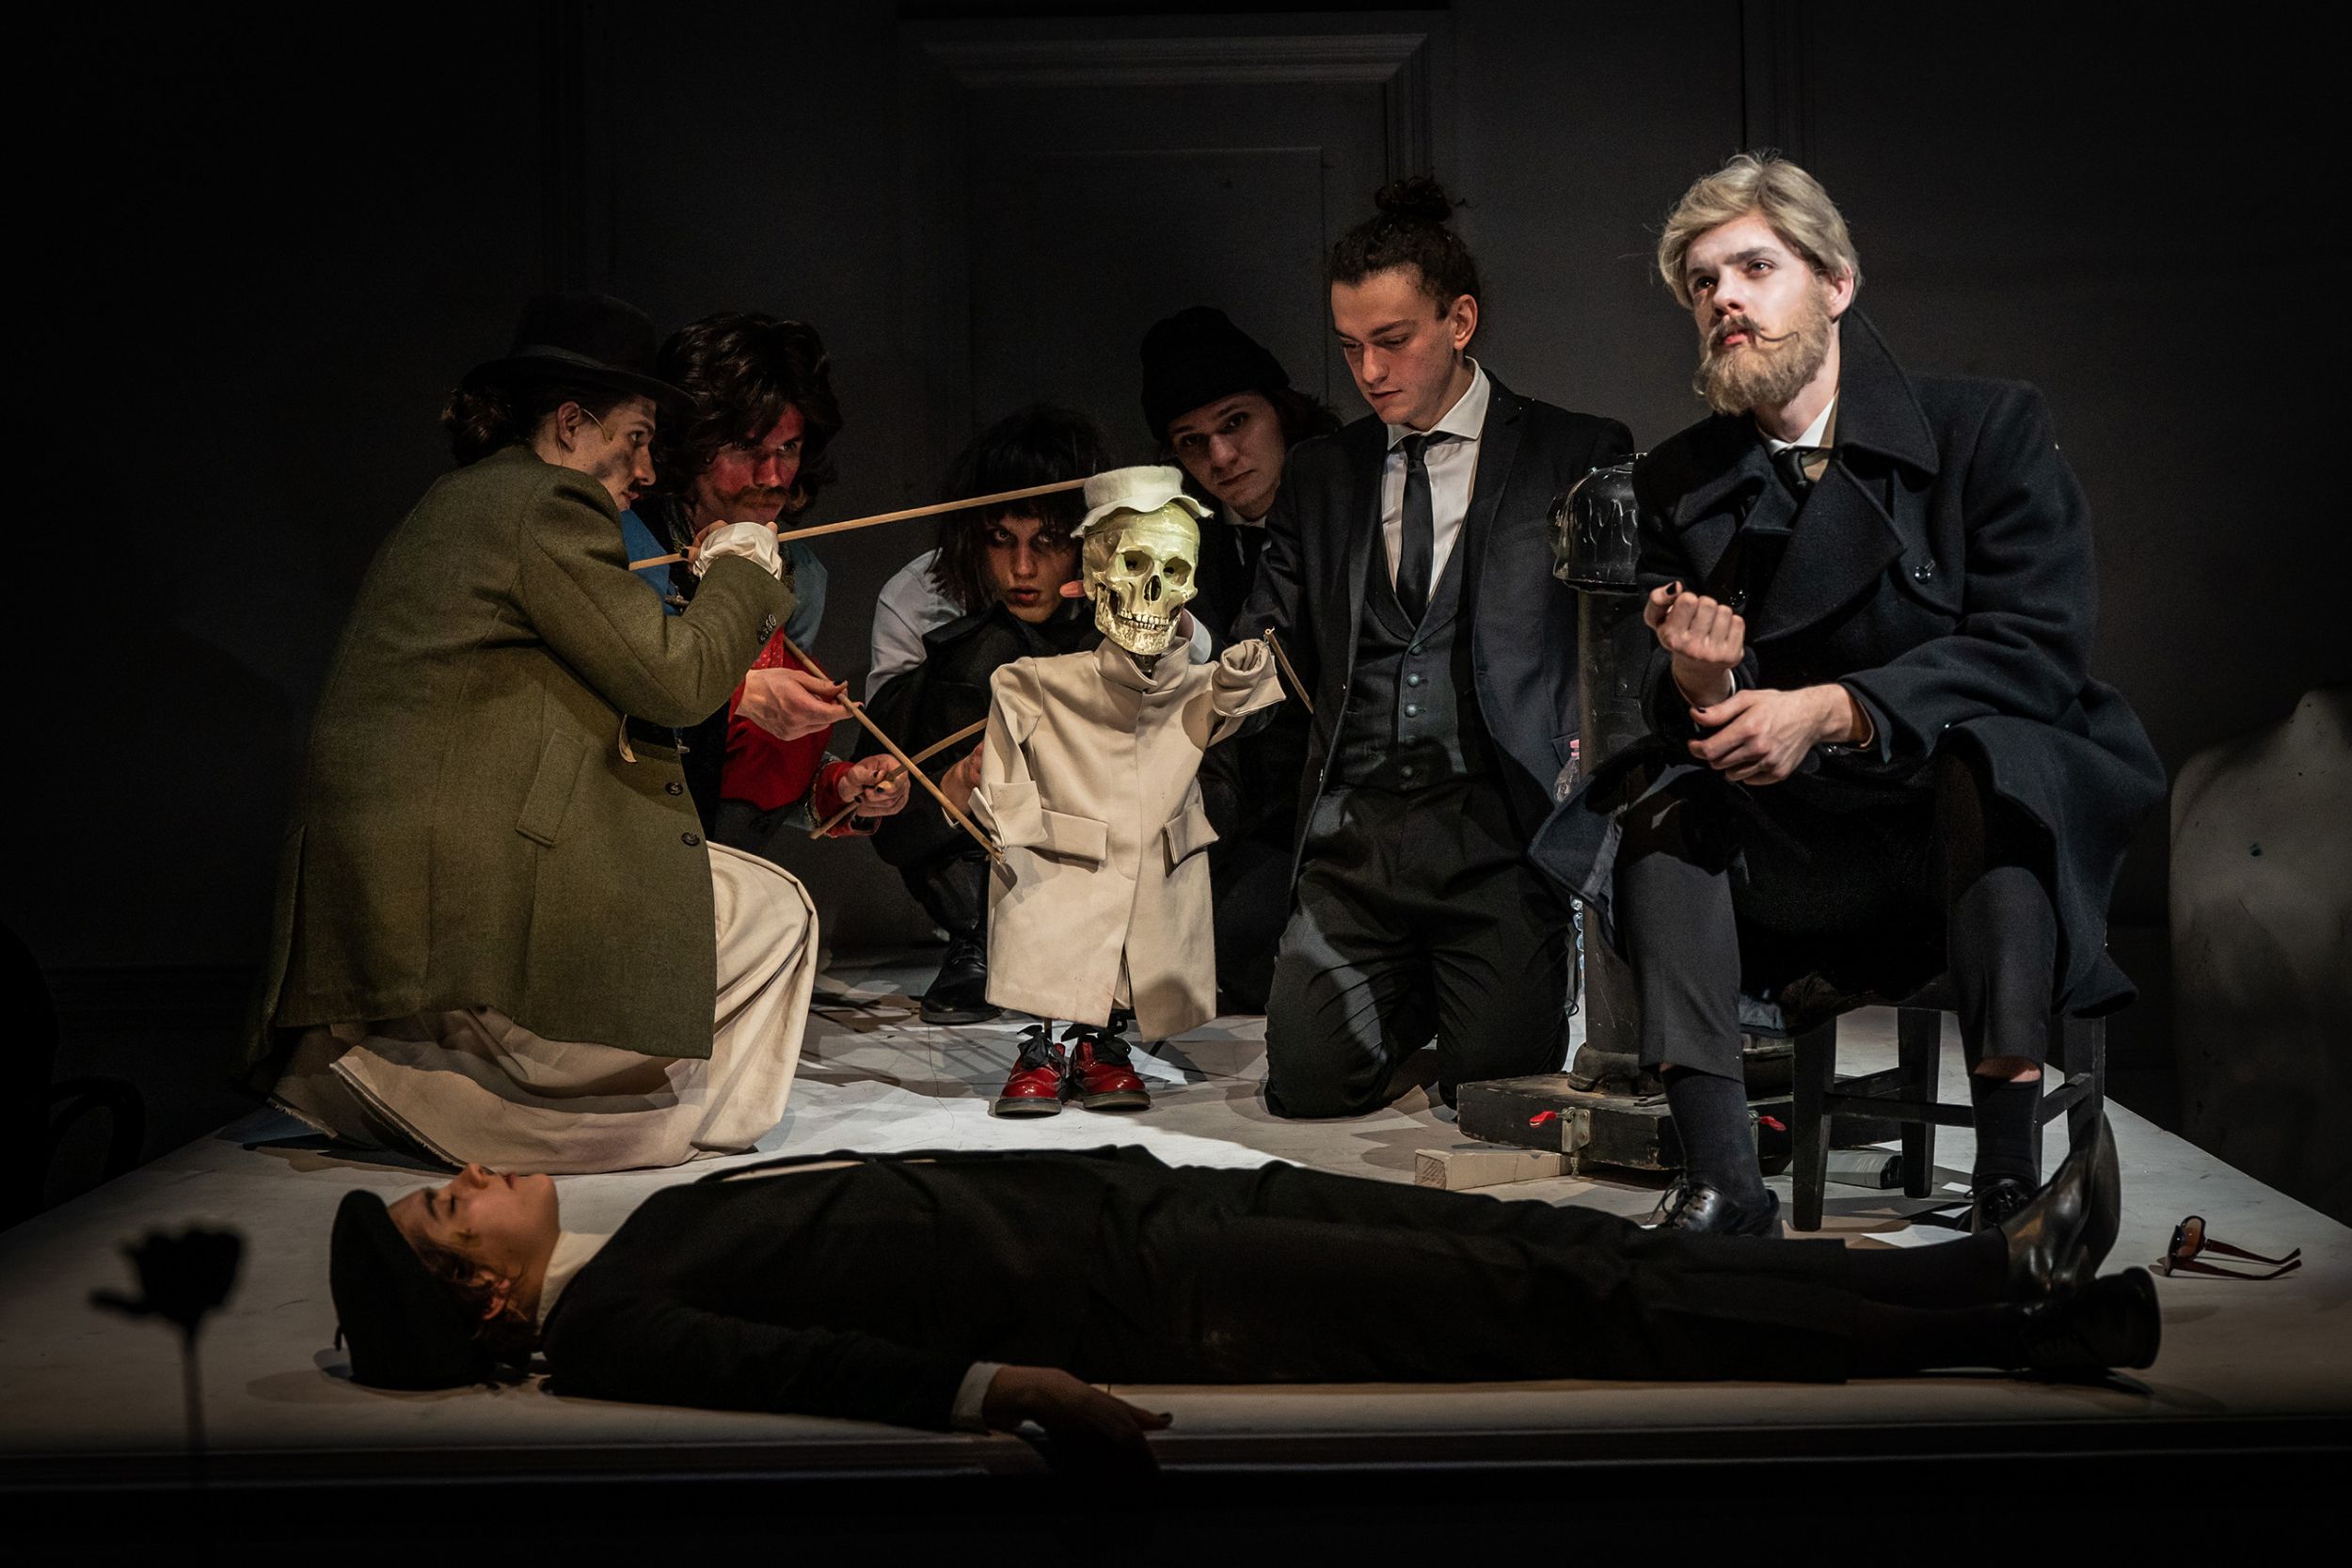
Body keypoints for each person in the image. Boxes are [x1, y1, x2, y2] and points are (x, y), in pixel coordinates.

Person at [1532, 154, 2167, 1234]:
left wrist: (1832, 708)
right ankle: (1722, 1178)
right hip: (1802, 847)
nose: (1724, 299)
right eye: (1702, 282)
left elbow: (2037, 646)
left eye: (1754, 267)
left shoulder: (1983, 430)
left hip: (1955, 842)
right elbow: (1669, 694)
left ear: (1835, 283)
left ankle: (2008, 1174)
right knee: (1660, 801)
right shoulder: (1680, 477)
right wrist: (1700, 675)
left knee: (1997, 762)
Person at [326, 1117, 2155, 1473]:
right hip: (1167, 1282)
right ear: (482, 1305)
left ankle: (1972, 1281)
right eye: (443, 1209)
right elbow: (794, 1361)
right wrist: (1001, 1388)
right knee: (1568, 1286)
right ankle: (2000, 1312)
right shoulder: (609, 1319)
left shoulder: (631, 1245)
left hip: (1160, 1216)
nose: (468, 1174)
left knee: (1572, 1257)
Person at [242, 293, 820, 1174]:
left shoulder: (484, 498)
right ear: (571, 422)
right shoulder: (546, 502)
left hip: (426, 850)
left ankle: (628, 1115)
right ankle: (615, 1123)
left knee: (746, 904)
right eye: (636, 437)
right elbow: (676, 679)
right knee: (774, 912)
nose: (647, 468)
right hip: (452, 864)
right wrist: (742, 565)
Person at [1239, 178, 1633, 1117]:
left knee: (1493, 1093)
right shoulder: (1323, 472)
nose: (1368, 371)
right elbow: (1265, 635)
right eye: (1349, 346)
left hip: (1494, 832)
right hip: (1356, 838)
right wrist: (1180, 648)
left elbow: (1619, 640)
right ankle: (1399, 982)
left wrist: (1593, 757)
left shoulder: (1571, 449)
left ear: (1459, 321)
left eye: (1391, 340)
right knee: (1307, 1088)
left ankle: (1468, 981)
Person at [968, 468, 1285, 1115]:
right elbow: (1003, 756)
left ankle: (1101, 1048)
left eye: (1174, 572)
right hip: (1063, 852)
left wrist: (1239, 674)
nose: (1152, 591)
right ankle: (1046, 1049)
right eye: (1133, 565)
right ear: (1094, 574)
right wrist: (1012, 830)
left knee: (1126, 956)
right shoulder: (1033, 681)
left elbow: (1236, 703)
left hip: (1152, 854)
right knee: (1058, 938)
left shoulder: (1192, 686)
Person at [858, 406, 1111, 1024]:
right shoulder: (919, 599)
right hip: (968, 852)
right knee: (983, 649)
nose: (1022, 568)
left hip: (1099, 845)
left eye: (1048, 542)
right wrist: (955, 784)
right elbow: (885, 810)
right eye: (1001, 539)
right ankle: (979, 935)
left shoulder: (1121, 585)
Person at [1141, 306, 1342, 1010]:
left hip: (1349, 802)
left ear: (1280, 410)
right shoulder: (1179, 541)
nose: (1222, 457)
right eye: (1192, 442)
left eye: (1236, 423)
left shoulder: (1350, 500)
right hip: (1246, 815)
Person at [620, 312, 871, 836]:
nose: (771, 476)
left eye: (788, 449)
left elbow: (742, 764)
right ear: (691, 445)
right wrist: (740, 698)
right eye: (745, 448)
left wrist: (833, 787)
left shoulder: (801, 576)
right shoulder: (625, 544)